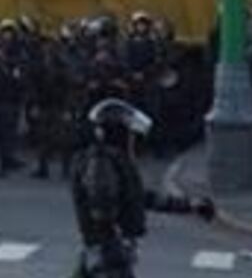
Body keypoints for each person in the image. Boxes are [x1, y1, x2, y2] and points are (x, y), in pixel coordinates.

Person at [70, 98, 214, 278]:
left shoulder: (109, 161)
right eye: (130, 134)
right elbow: (103, 206)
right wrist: (117, 238)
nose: (133, 140)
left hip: (104, 251)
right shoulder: (101, 164)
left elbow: (136, 197)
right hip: (107, 253)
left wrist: (188, 205)